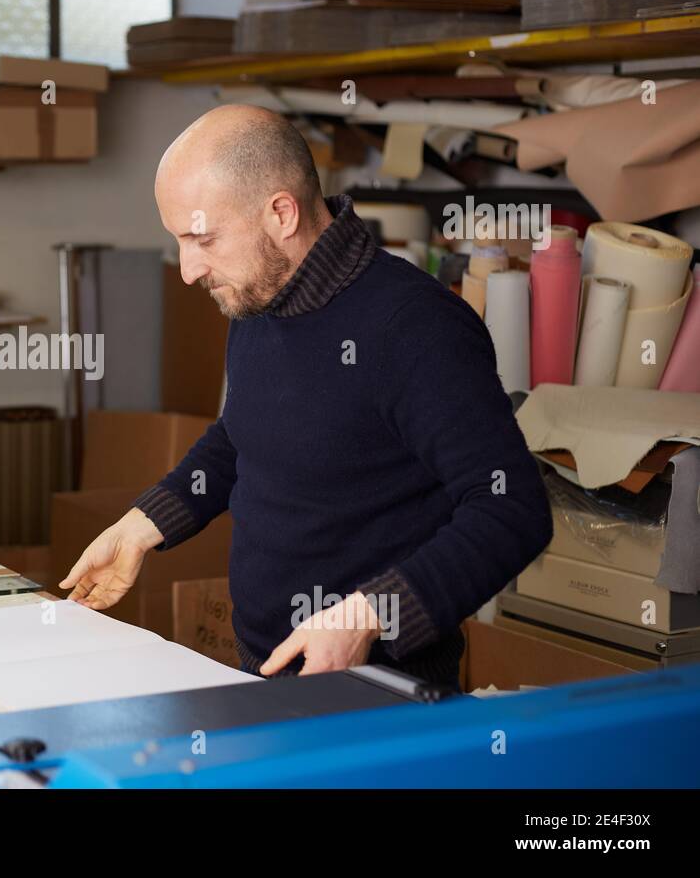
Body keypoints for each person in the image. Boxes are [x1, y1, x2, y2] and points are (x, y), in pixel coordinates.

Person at [60, 105, 552, 686]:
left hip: (377, 691)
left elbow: (512, 509)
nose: (189, 270)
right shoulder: (258, 297)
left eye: (203, 239)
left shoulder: (414, 328)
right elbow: (243, 434)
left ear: (281, 213)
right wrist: (144, 526)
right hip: (267, 673)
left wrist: (370, 615)